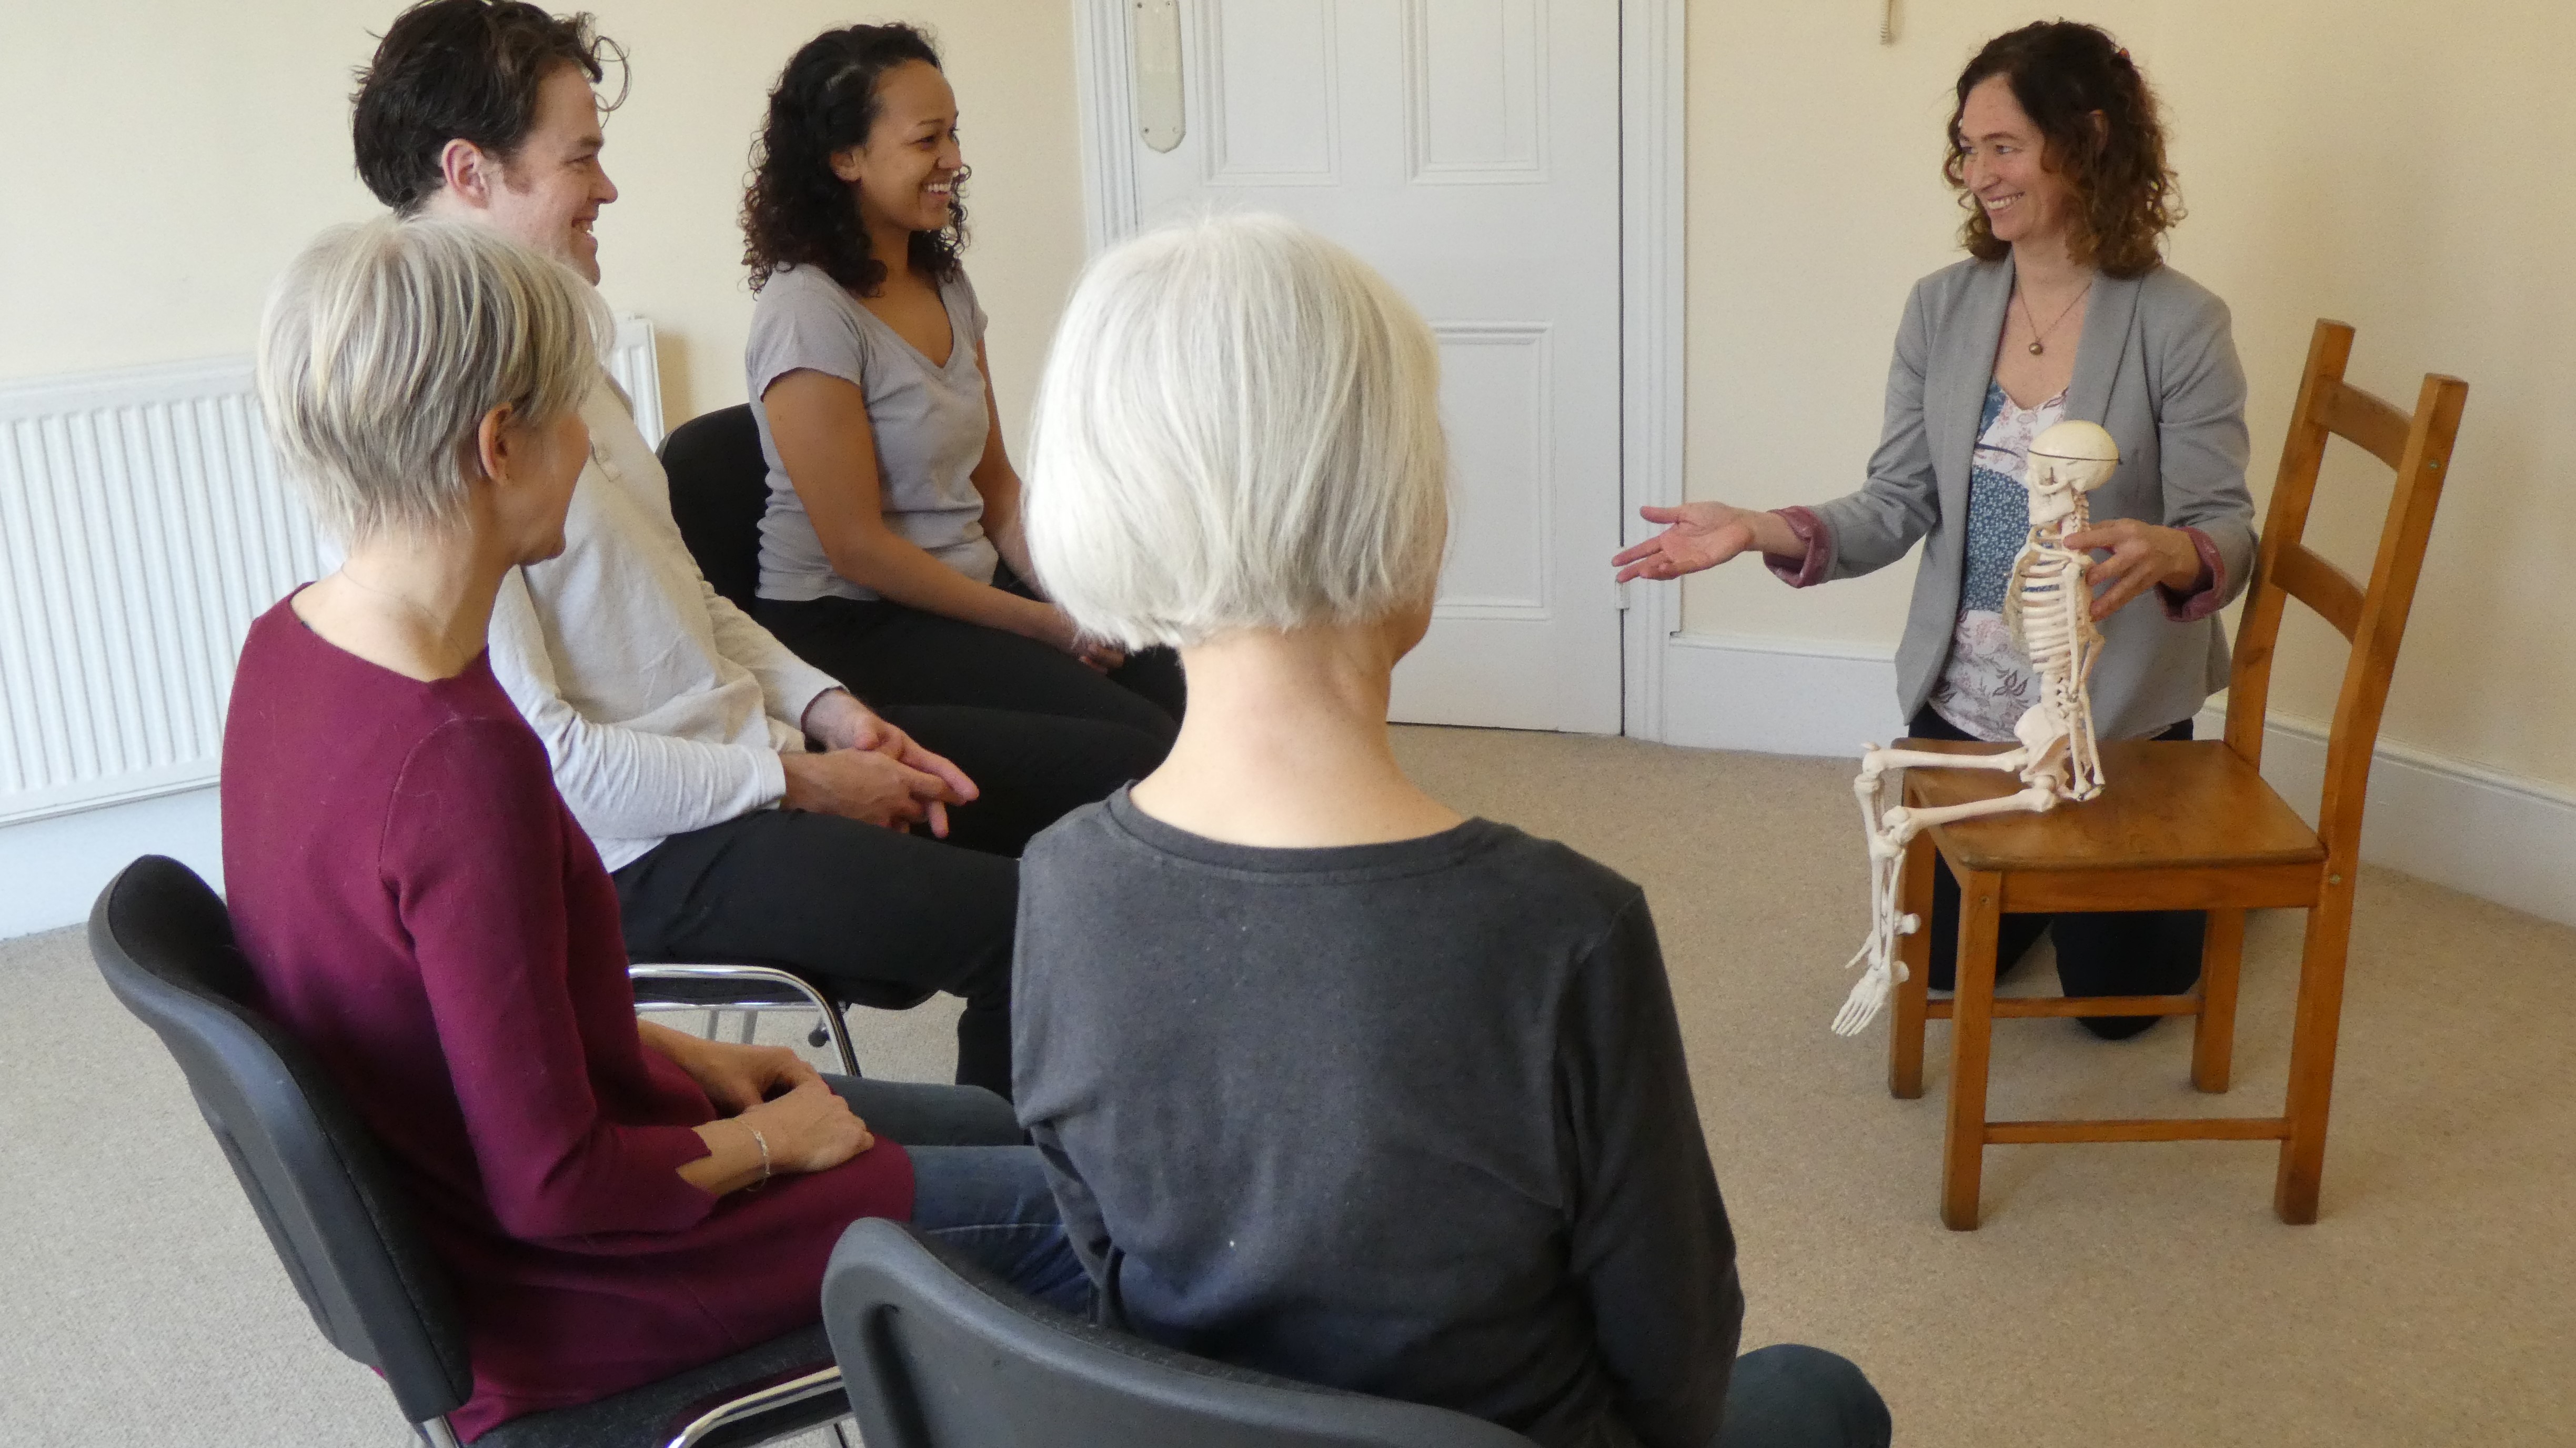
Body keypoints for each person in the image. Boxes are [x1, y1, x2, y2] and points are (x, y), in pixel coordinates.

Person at [1011, 214, 1891, 1448]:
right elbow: (1674, 1357)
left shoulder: (1060, 880)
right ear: (1401, 505)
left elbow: (1102, 1256)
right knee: (1823, 1391)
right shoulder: (1560, 931)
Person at [222, 216, 1086, 1442]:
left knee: (1004, 1136)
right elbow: (556, 1185)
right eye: (571, 413)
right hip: (580, 1286)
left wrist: (691, 1057)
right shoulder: (462, 762)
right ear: (498, 444)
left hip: (524, 1202)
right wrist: (772, 1141)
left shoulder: (291, 647)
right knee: (1083, 1225)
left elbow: (465, 1014)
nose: (590, 445)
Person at [349, 0, 1162, 1097]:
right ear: (473, 172)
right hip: (643, 849)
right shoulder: (432, 418)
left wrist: (832, 711)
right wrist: (800, 782)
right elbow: (560, 767)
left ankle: (1050, 1146)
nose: (609, 187)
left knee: (1116, 785)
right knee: (1035, 927)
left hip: (750, 749)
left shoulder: (560, 344)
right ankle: (1004, 1213)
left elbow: (686, 591)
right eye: (582, 157)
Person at [1612, 22, 2255, 1038]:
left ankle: (2189, 881)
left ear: (2086, 140)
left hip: (2109, 719)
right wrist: (1757, 529)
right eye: (1967, 148)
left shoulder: (2180, 321)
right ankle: (2046, 885)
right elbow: (1895, 503)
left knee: (2120, 1010)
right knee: (1947, 974)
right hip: (1962, 715)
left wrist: (2179, 550)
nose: (1975, 173)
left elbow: (2226, 524)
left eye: (2002, 145)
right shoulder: (1941, 310)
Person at [738, 23, 1185, 747]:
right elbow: (858, 549)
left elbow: (1000, 488)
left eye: (953, 135)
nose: (954, 160)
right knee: (1135, 740)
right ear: (846, 157)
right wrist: (1050, 627)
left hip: (964, 593)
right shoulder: (805, 313)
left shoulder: (943, 280)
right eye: (927, 141)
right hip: (853, 620)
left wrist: (1076, 598)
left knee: (1184, 672)